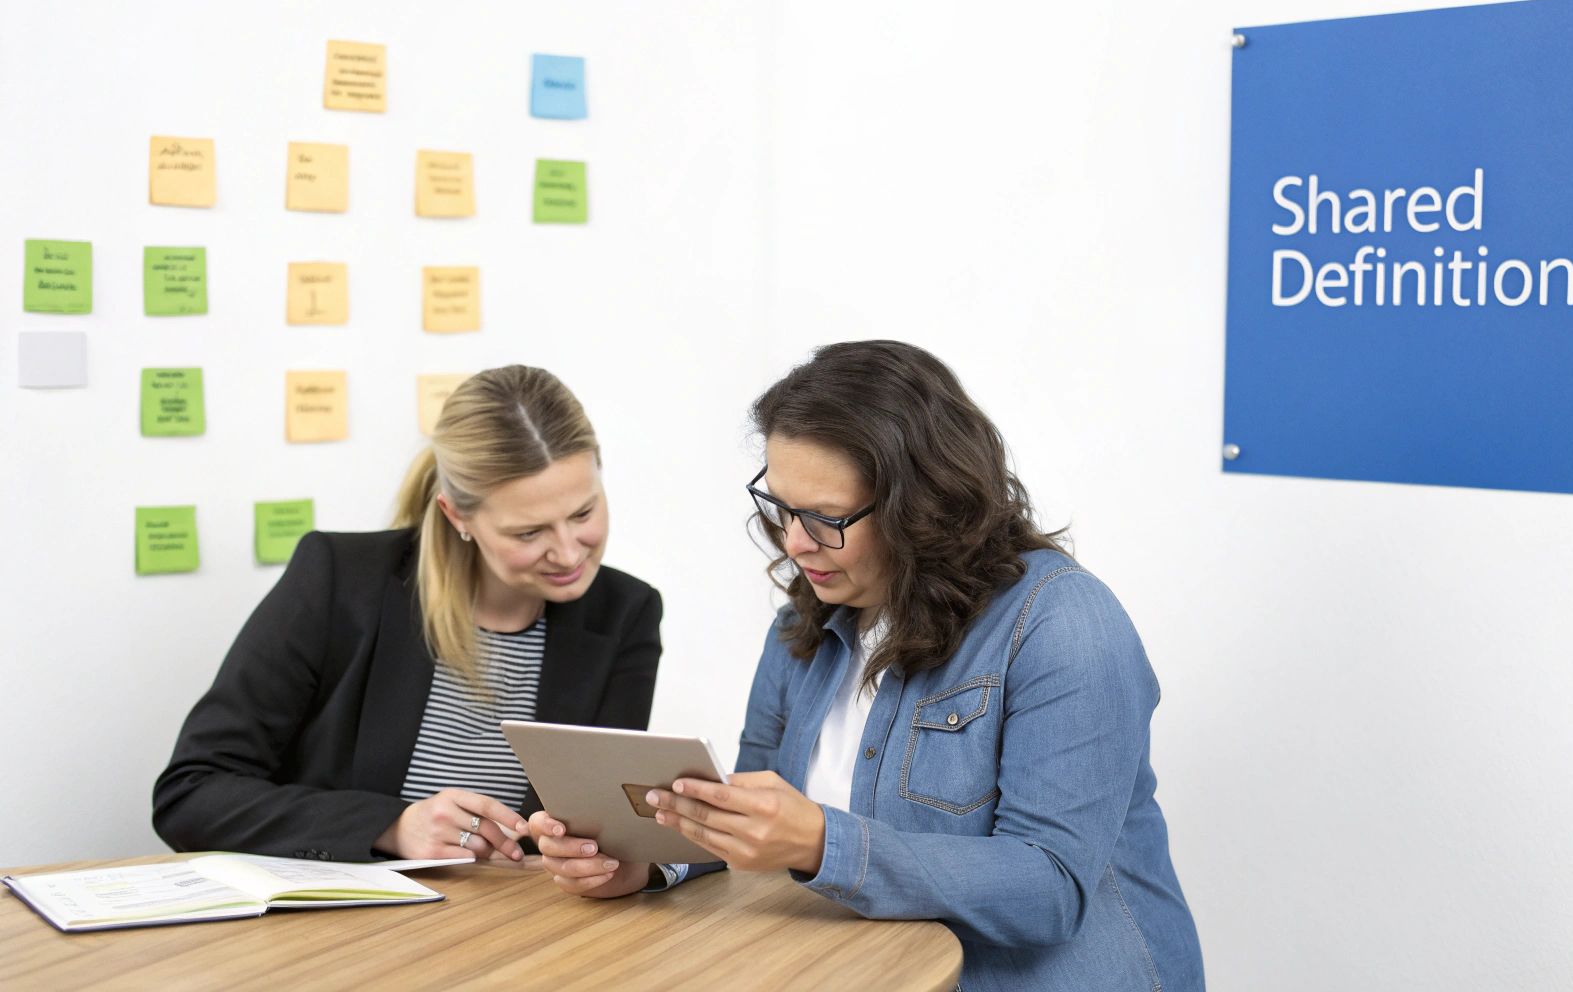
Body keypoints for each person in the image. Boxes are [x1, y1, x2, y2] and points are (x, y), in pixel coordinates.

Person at [530, 341, 1204, 988]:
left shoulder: (1065, 625)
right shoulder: (806, 622)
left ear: (924, 506)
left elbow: (1049, 888)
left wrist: (824, 843)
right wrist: (648, 866)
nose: (795, 543)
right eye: (783, 509)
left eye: (825, 518)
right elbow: (750, 818)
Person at [153, 364, 663, 865]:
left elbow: (604, 830)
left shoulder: (626, 615)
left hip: (518, 932)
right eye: (528, 533)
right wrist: (390, 826)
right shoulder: (340, 581)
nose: (570, 553)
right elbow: (191, 794)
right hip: (345, 932)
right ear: (456, 515)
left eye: (583, 513)